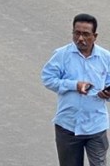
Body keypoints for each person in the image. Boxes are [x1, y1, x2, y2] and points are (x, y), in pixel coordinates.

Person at [41, 13, 110, 166]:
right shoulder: (62, 55)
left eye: (85, 34)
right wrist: (74, 85)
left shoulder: (106, 58)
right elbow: (47, 78)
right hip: (67, 126)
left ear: (95, 36)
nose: (80, 38)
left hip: (96, 125)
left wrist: (107, 93)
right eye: (76, 33)